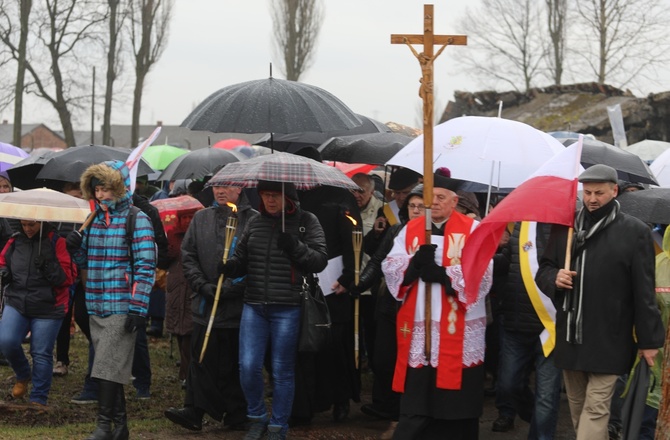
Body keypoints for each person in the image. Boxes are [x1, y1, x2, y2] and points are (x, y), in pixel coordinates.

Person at [535, 164, 665, 440]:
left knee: (596, 411)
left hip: (611, 337)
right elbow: (543, 269)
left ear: (614, 190)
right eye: (588, 192)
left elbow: (644, 291)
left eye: (600, 193)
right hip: (571, 336)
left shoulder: (635, 231)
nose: (592, 199)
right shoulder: (565, 229)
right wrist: (554, 277)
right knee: (579, 409)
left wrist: (649, 341)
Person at [382, 173, 493, 439]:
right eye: (432, 197)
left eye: (442, 197)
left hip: (458, 325)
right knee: (418, 396)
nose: (435, 203)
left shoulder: (473, 229)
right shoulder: (411, 229)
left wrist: (442, 275)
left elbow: (483, 272)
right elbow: (390, 265)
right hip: (421, 320)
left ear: (455, 201)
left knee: (455, 404)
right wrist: (414, 265)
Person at [220, 180, 328, 440]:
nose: (270, 201)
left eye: (275, 196)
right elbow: (243, 258)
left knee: (282, 370)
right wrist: (231, 267)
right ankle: (257, 417)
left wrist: (294, 245)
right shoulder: (256, 223)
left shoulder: (307, 221)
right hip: (254, 305)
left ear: (288, 197)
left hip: (288, 307)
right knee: (248, 366)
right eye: (265, 195)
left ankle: (279, 426)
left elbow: (319, 261)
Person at [67, 160, 156, 440]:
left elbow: (146, 265)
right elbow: (86, 261)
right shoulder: (93, 220)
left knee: (104, 365)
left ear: (119, 188)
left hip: (122, 304)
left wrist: (139, 307)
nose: (101, 195)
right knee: (112, 366)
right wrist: (74, 249)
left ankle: (103, 426)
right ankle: (121, 427)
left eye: (106, 189)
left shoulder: (136, 218)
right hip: (96, 303)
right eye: (96, 190)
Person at [164, 184, 257, 432]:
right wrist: (202, 285)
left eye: (227, 186)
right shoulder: (201, 218)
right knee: (201, 358)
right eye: (217, 186)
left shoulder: (253, 220)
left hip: (237, 309)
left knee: (231, 362)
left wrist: (233, 288)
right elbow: (188, 254)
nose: (221, 191)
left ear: (240, 188)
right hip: (205, 304)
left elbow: (257, 262)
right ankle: (194, 409)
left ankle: (237, 412)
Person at [355, 184, 424, 439]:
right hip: (390, 303)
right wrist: (361, 283)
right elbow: (378, 260)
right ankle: (386, 404)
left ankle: (404, 411)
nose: (416, 210)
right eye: (412, 206)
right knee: (383, 358)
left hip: (417, 307)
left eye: (420, 206)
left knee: (409, 360)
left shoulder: (433, 234)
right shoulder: (398, 230)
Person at [492, 222, 562, 439]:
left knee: (546, 397)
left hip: (550, 327)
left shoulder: (570, 229)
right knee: (508, 385)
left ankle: (542, 433)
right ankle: (536, 418)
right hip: (516, 323)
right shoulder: (522, 227)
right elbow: (508, 262)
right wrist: (485, 255)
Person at [0, 220, 76, 407]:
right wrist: (4, 272)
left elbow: (67, 278)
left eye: (32, 225)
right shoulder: (15, 240)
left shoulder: (58, 243)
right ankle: (24, 373)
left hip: (49, 306)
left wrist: (49, 267)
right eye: (24, 224)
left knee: (41, 352)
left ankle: (38, 399)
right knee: (6, 341)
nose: (28, 229)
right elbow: (2, 261)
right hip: (18, 301)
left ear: (42, 222)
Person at [351, 172, 385, 371]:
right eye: (353, 190)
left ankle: (372, 364)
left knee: (372, 328)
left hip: (372, 282)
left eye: (361, 191)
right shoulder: (345, 209)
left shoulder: (383, 211)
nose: (357, 194)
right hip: (351, 279)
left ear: (372, 192)